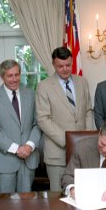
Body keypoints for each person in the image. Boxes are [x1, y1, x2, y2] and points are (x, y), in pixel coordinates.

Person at [36, 47, 94, 192]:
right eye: (60, 66)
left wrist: (86, 136)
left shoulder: (82, 82)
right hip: (57, 153)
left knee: (83, 194)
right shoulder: (44, 86)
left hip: (83, 150)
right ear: (53, 65)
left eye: (68, 65)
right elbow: (43, 119)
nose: (65, 69)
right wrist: (68, 140)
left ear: (72, 62)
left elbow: (88, 111)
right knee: (58, 198)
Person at [0, 59, 41, 193]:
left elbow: (38, 124)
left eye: (17, 74)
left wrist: (29, 146)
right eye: (10, 76)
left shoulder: (31, 94)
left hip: (29, 158)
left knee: (27, 206)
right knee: (6, 207)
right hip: (4, 161)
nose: (14, 79)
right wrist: (16, 149)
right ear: (2, 77)